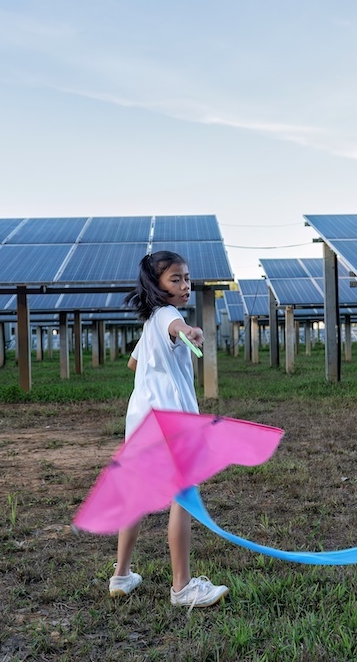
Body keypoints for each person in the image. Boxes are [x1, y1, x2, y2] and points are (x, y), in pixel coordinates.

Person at [108, 250, 230, 608]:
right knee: (184, 496)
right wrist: (189, 331)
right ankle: (182, 587)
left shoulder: (149, 327)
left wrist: (157, 369)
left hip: (143, 421)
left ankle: (122, 575)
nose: (185, 285)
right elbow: (177, 328)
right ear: (156, 286)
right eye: (175, 279)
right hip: (172, 423)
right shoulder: (168, 315)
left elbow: (133, 364)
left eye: (187, 278)